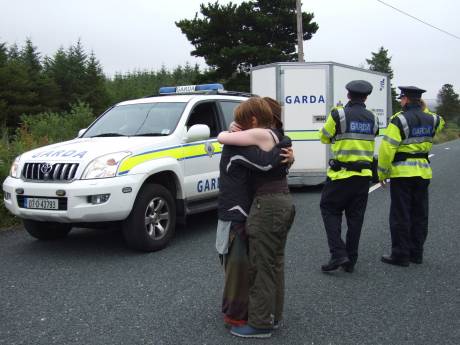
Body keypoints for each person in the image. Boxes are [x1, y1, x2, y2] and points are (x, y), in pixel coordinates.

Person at [218, 97, 296, 338]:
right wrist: (287, 156)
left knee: (262, 266)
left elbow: (264, 164)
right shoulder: (277, 139)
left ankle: (260, 323)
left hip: (268, 206)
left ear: (255, 120)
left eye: (242, 122)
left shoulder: (264, 139)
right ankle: (273, 316)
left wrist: (228, 133)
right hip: (282, 202)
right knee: (274, 263)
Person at [378, 86, 444, 266]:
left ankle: (400, 255)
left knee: (401, 215)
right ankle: (416, 253)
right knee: (420, 214)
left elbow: (387, 148)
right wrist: (425, 109)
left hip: (402, 174)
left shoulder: (398, 120)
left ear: (406, 99)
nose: (400, 101)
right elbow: (441, 122)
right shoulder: (432, 119)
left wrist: (382, 172)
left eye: (402, 99)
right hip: (423, 173)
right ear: (420, 101)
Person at [318, 80, 379, 273]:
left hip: (340, 175)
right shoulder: (373, 118)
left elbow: (324, 136)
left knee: (330, 210)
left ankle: (338, 253)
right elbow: (374, 135)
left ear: (348, 95)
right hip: (363, 177)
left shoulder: (338, 114)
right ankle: (351, 260)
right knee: (356, 218)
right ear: (366, 97)